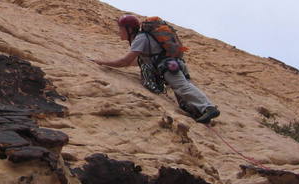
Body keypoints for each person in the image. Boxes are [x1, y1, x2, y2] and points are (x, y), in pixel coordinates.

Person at [92, 14, 220, 124]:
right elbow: (137, 62)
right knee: (181, 91)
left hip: (168, 66)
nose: (119, 31)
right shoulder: (142, 38)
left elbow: (125, 61)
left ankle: (208, 108)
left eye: (121, 28)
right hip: (171, 64)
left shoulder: (140, 38)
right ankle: (199, 112)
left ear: (129, 29)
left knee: (182, 87)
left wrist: (102, 62)